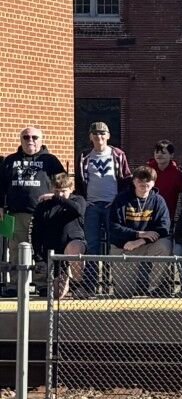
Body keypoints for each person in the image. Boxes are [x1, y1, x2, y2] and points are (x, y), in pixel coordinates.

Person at [4, 126, 64, 288]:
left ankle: (43, 283)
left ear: (41, 140)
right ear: (21, 139)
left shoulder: (50, 160)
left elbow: (63, 184)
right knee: (16, 250)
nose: (30, 140)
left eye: (34, 137)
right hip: (15, 214)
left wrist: (55, 198)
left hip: (42, 213)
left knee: (41, 249)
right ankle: (16, 285)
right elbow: (1, 186)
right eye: (26, 137)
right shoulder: (10, 161)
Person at [106, 165, 172, 296]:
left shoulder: (158, 201)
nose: (144, 186)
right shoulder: (121, 199)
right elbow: (112, 226)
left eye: (148, 183)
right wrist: (137, 234)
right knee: (123, 293)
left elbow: (164, 228)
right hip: (124, 246)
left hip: (147, 244)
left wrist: (140, 240)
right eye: (140, 182)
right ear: (134, 181)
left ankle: (155, 288)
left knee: (165, 246)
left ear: (153, 183)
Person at [76, 120, 132, 259]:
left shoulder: (118, 155)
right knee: (91, 243)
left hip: (112, 205)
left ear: (108, 136)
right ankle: (92, 279)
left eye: (102, 133)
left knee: (113, 242)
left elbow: (126, 179)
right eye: (95, 133)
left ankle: (111, 277)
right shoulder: (84, 157)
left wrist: (119, 201)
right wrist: (84, 201)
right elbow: (78, 181)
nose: (98, 136)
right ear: (90, 137)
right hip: (92, 206)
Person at [30, 173, 86, 300]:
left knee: (74, 248)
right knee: (56, 295)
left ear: (71, 189)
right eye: (56, 191)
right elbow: (36, 232)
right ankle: (65, 278)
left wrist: (56, 198)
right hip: (53, 250)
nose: (60, 194)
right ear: (51, 189)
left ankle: (78, 284)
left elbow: (77, 210)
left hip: (73, 243)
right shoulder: (43, 206)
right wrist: (38, 255)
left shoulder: (78, 200)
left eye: (63, 191)